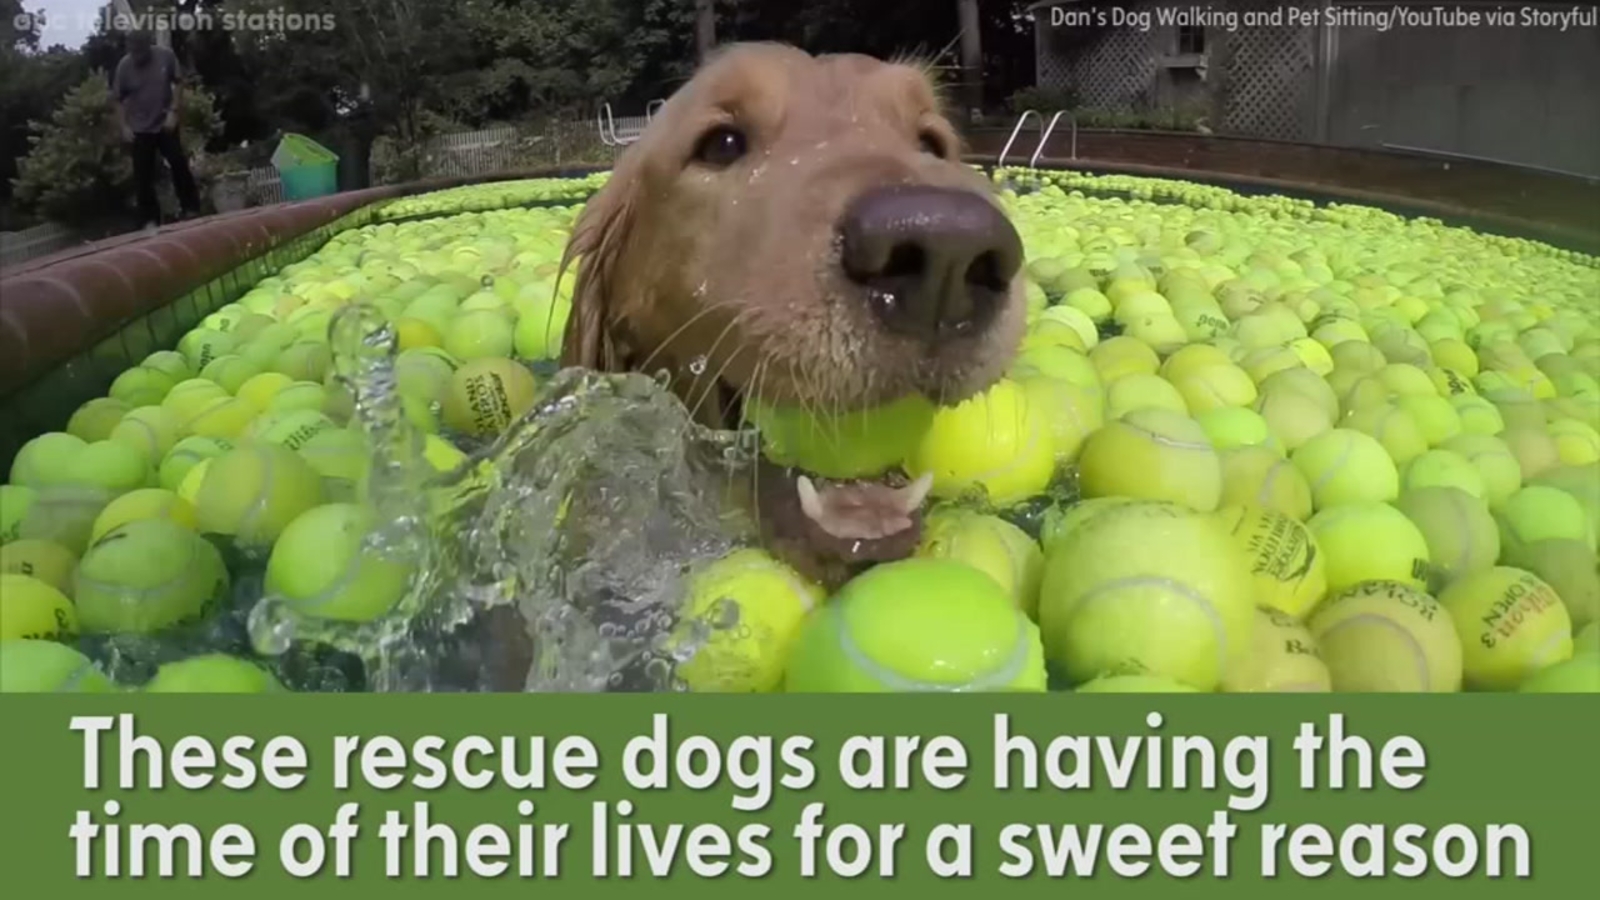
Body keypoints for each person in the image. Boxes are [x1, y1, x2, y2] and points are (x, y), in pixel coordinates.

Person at [112, 31, 202, 228]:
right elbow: (118, 100)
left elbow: (179, 82)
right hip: (139, 128)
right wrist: (124, 127)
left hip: (164, 121)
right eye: (134, 53)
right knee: (142, 175)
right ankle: (150, 219)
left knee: (178, 162)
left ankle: (191, 207)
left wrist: (174, 111)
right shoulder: (124, 67)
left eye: (140, 53)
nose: (138, 58)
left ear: (148, 47)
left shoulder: (165, 56)